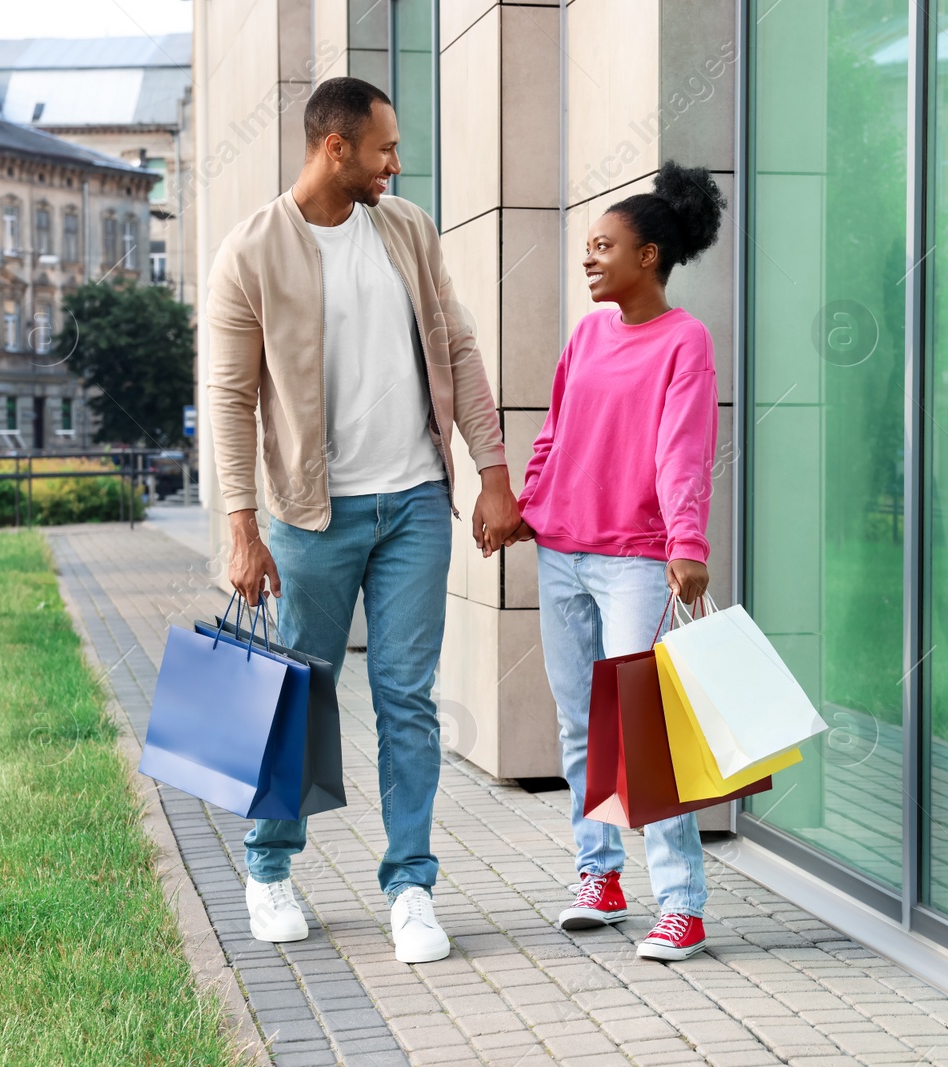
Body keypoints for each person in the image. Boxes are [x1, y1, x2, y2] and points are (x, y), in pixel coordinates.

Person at [206, 77, 521, 963]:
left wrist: (493, 471)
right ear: (333, 148)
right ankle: (268, 868)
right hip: (311, 515)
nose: (396, 161)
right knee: (295, 694)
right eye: (384, 147)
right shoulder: (252, 251)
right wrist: (241, 526)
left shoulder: (407, 229)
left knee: (406, 699)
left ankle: (411, 886)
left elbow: (457, 342)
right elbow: (229, 398)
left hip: (416, 499)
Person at [506, 162, 724, 962]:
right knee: (578, 723)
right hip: (563, 551)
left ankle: (682, 902)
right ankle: (598, 874)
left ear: (651, 256)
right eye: (587, 247)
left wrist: (687, 542)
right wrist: (529, 507)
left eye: (606, 246)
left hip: (637, 559)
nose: (590, 259)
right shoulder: (588, 334)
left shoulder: (684, 340)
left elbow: (683, 452)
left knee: (643, 727)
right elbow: (555, 431)